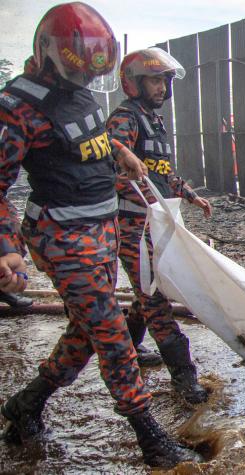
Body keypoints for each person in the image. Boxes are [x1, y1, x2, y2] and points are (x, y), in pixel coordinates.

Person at [0, 3, 201, 468]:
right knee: (111, 333)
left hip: (101, 229)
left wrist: (119, 154)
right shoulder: (17, 108)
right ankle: (150, 438)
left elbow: (83, 137)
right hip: (63, 236)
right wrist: (8, 250)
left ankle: (26, 404)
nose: (89, 81)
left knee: (85, 331)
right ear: (50, 53)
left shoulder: (80, 93)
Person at [107, 47, 212, 404]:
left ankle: (133, 347)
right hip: (131, 226)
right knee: (156, 296)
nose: (162, 88)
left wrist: (190, 195)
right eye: (155, 80)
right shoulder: (126, 118)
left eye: (166, 81)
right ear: (134, 83)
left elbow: (161, 174)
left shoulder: (154, 121)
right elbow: (108, 147)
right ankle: (184, 376)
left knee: (148, 290)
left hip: (156, 222)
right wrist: (122, 152)